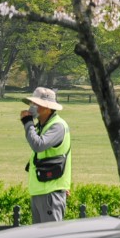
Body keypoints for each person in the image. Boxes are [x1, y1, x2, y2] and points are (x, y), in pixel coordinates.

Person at [20, 87, 71, 223]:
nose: (32, 107)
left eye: (36, 104)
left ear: (48, 108)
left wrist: (27, 123)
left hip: (50, 191)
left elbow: (38, 145)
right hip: (41, 189)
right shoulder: (42, 125)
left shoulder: (57, 126)